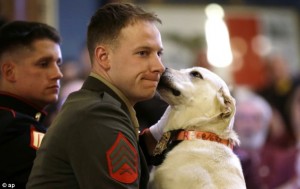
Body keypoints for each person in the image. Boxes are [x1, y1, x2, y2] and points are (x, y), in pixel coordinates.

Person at [27, 2, 166, 189]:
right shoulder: (98, 113)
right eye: (143, 53)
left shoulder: (100, 106)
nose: (159, 66)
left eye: (159, 53)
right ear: (103, 57)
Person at [0, 21, 63, 188]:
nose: (58, 74)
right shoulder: (15, 129)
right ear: (9, 72)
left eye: (58, 63)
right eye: (44, 64)